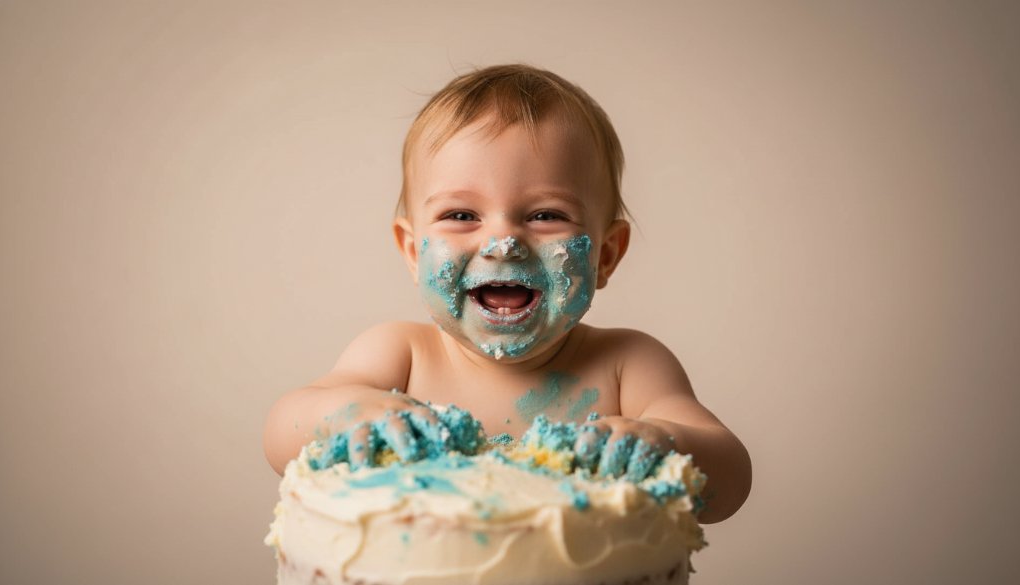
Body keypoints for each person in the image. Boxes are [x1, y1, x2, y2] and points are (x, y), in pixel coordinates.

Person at [263, 64, 751, 523]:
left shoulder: (627, 365)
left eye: (546, 215)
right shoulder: (401, 356)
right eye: (461, 215)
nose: (503, 242)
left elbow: (729, 480)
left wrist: (659, 441)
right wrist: (345, 415)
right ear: (413, 252)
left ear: (605, 255)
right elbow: (282, 433)